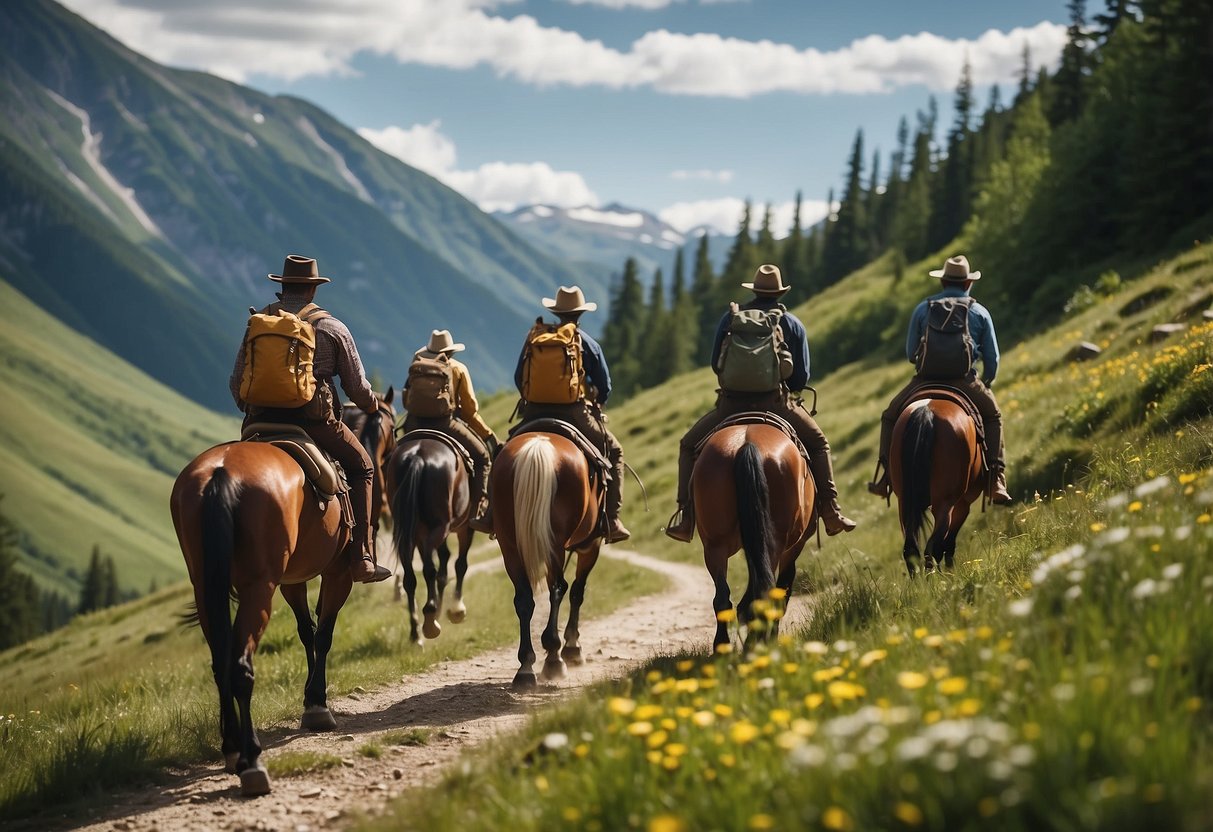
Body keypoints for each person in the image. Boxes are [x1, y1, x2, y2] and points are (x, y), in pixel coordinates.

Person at [229, 254, 391, 583]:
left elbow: (237, 385)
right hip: (316, 425)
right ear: (313, 291)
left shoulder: (259, 322)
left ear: (282, 288)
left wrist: (259, 408)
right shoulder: (331, 327)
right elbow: (357, 388)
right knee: (363, 468)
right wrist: (373, 408)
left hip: (258, 423)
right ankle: (362, 557)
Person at [666, 264, 857, 542]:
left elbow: (715, 365)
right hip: (776, 404)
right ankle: (830, 510)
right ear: (779, 294)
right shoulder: (791, 323)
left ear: (754, 290)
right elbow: (800, 376)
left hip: (730, 406)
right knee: (818, 443)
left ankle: (685, 517)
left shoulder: (730, 319)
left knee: (688, 445)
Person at [867, 254, 1011, 504]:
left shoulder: (924, 309)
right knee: (993, 416)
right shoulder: (979, 311)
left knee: (890, 415)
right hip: (964, 380)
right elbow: (993, 358)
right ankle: (996, 478)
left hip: (926, 379)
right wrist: (986, 382)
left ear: (943, 282)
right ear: (968, 283)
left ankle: (886, 477)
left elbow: (911, 353)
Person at [506, 285, 630, 544]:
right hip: (574, 413)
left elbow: (519, 377)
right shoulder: (588, 343)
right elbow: (605, 386)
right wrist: (596, 401)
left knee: (504, 453)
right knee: (615, 451)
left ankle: (493, 514)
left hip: (534, 411)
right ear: (580, 314)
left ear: (556, 312)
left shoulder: (536, 338)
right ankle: (612, 520)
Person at [402, 329, 500, 531]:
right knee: (482, 458)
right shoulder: (457, 368)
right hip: (445, 423)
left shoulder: (417, 363)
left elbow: (407, 397)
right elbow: (470, 411)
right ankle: (478, 512)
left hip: (413, 423)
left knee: (394, 456)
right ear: (451, 351)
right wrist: (487, 434)